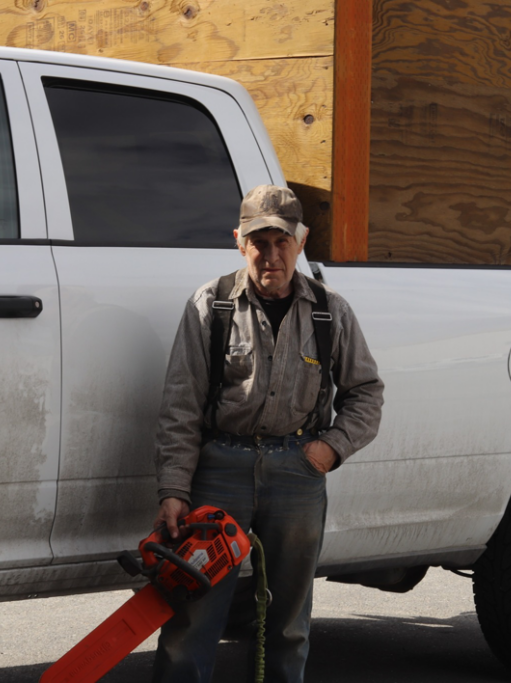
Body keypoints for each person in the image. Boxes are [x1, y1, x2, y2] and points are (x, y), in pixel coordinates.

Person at [152, 184, 385, 683]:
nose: (271, 256)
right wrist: (173, 489)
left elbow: (367, 394)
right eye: (260, 242)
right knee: (192, 612)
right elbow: (181, 406)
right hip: (219, 472)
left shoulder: (330, 311)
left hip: (298, 473)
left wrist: (328, 450)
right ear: (240, 242)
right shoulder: (209, 305)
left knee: (289, 622)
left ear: (300, 242)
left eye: (282, 242)